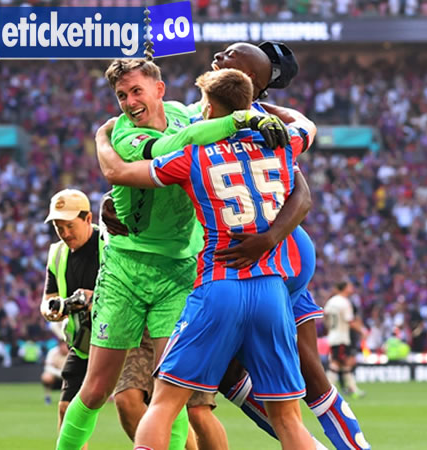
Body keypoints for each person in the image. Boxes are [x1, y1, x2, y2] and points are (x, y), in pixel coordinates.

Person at [100, 43, 370, 450]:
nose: (218, 57)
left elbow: (120, 172)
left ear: (209, 106)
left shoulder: (192, 151)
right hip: (272, 282)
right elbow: (306, 125)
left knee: (165, 403)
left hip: (221, 280)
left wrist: (103, 141)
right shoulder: (281, 140)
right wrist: (266, 111)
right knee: (288, 417)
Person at [55, 59, 284, 450]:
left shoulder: (183, 114)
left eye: (136, 91)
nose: (129, 102)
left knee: (171, 388)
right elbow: (169, 147)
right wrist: (241, 120)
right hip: (124, 270)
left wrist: (257, 109)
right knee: (95, 389)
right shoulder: (124, 134)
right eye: (121, 95)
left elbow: (214, 105)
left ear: (159, 90)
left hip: (178, 272)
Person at [40, 189, 102, 449]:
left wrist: (93, 297)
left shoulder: (110, 244)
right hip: (84, 343)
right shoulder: (56, 253)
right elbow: (48, 299)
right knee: (67, 409)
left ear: (88, 218)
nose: (64, 233)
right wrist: (52, 310)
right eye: (58, 227)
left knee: (139, 406)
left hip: (123, 340)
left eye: (69, 225)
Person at [324, 281, 365, 399]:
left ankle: (353, 389)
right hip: (341, 337)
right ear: (345, 288)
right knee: (336, 363)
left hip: (333, 335)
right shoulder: (344, 302)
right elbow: (350, 321)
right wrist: (362, 331)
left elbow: (326, 317)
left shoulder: (331, 301)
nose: (352, 288)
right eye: (350, 286)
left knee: (345, 364)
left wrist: (330, 329)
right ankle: (326, 390)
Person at [42, 340, 68, 405]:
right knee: (46, 377)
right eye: (62, 345)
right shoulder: (52, 352)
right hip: (56, 375)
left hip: (69, 376)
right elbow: (48, 367)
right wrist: (60, 373)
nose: (64, 347)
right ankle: (47, 397)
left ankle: (70, 398)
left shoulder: (72, 352)